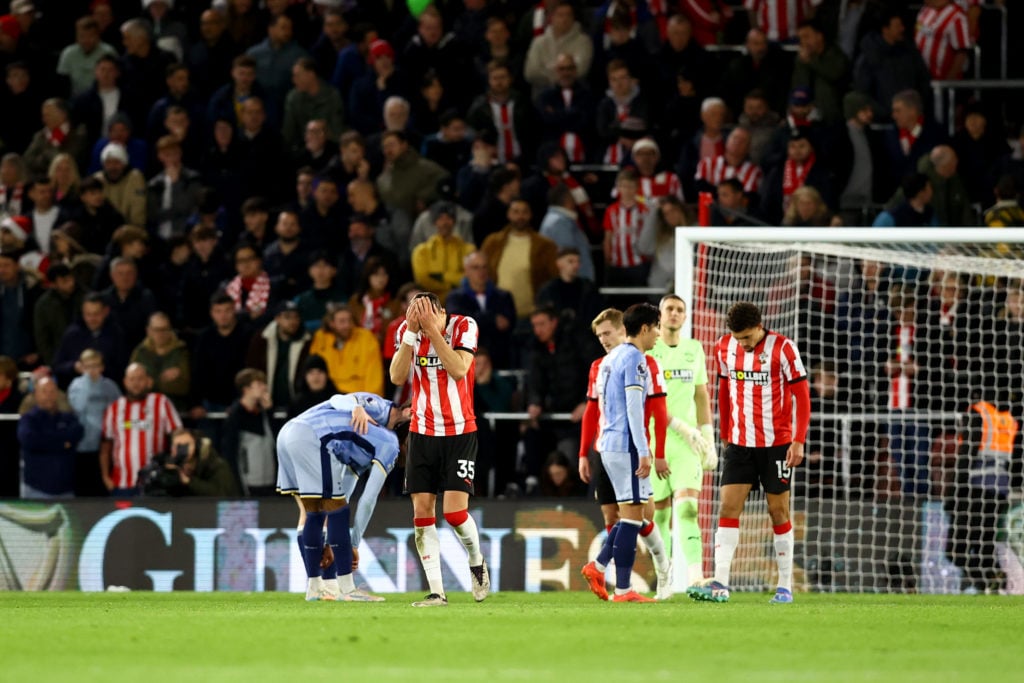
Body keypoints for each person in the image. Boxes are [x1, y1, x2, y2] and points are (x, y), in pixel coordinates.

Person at [688, 302, 810, 605]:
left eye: (747, 337)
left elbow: (802, 397)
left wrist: (798, 440)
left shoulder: (784, 348)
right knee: (728, 509)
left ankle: (784, 586)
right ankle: (720, 584)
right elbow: (725, 391)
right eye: (738, 338)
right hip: (740, 445)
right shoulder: (724, 346)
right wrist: (726, 433)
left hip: (777, 446)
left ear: (759, 326)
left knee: (778, 511)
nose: (742, 343)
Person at [389, 292, 489, 607]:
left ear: (442, 312)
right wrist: (411, 333)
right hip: (422, 432)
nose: (422, 319)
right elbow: (396, 376)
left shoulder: (464, 326)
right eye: (416, 314)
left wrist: (433, 331)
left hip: (460, 431)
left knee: (456, 513)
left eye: (428, 313)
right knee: (422, 511)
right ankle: (437, 592)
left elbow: (459, 369)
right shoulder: (407, 332)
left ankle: (476, 560)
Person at [277, 391, 410, 601]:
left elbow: (346, 489)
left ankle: (318, 586)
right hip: (313, 437)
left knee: (317, 511)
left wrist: (332, 543)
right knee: (338, 510)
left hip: (288, 433)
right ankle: (348, 589)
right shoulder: (390, 442)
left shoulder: (365, 440)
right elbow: (368, 499)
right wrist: (354, 544)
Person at [578, 307, 673, 601]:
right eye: (657, 328)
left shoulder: (609, 360)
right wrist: (645, 451)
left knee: (635, 515)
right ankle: (618, 584)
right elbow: (634, 408)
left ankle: (604, 570)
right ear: (644, 328)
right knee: (632, 517)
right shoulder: (635, 360)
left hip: (607, 444)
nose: (659, 334)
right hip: (626, 445)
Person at [648, 295, 716, 588]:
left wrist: (708, 437)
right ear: (660, 316)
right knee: (658, 516)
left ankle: (695, 576)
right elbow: (650, 403)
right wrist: (681, 427)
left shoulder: (694, 349)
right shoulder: (651, 351)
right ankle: (664, 579)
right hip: (656, 442)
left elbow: (701, 396)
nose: (674, 314)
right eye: (669, 309)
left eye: (679, 310)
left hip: (687, 446)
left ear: (685, 317)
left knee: (688, 509)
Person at [946, 396, 1019, 594]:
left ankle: (990, 578)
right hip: (1000, 491)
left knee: (955, 550)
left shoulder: (979, 413)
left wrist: (953, 494)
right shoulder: (1009, 419)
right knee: (985, 547)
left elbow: (966, 455)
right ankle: (990, 583)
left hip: (974, 489)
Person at [100, 362, 183, 497]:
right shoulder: (114, 409)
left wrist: (173, 467)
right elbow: (105, 446)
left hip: (154, 482)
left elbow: (178, 435)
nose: (135, 383)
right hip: (122, 483)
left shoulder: (160, 402)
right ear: (125, 382)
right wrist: (105, 477)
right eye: (132, 379)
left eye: (140, 379)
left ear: (148, 381)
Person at [17, 376, 84, 499]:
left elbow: (77, 432)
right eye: (44, 391)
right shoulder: (29, 419)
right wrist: (62, 444)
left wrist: (46, 440)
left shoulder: (68, 418)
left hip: (66, 490)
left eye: (52, 391)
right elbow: (30, 441)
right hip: (37, 489)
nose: (49, 395)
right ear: (36, 394)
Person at [67, 349, 121, 497]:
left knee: (103, 489)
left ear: (102, 367)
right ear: (82, 367)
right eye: (88, 366)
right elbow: (78, 407)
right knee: (83, 489)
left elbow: (118, 412)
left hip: (104, 447)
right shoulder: (76, 385)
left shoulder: (110, 386)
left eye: (95, 365)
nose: (92, 370)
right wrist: (87, 383)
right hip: (82, 447)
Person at [139, 428, 239, 498]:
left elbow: (222, 494)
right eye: (177, 445)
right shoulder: (167, 465)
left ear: (197, 446)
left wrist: (188, 481)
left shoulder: (216, 464)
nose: (182, 450)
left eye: (186, 445)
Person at [221, 368, 276, 496]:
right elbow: (230, 453)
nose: (264, 387)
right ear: (246, 389)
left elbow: (276, 440)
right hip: (248, 483)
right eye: (259, 384)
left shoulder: (264, 413)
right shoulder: (235, 416)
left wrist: (269, 410)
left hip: (269, 480)